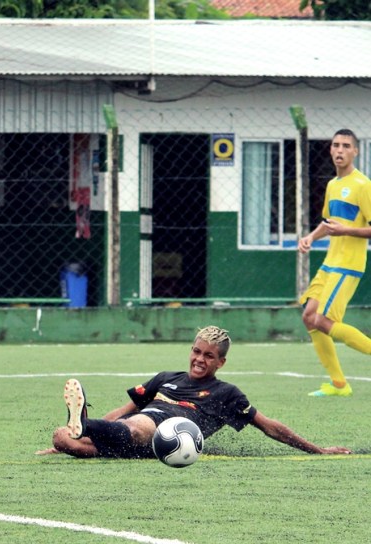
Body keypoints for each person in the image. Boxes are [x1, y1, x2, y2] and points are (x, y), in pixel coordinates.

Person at [36, 326, 352, 459]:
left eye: (209, 356)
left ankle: (85, 424)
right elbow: (121, 411)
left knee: (138, 425)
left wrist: (318, 450)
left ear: (221, 362)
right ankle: (82, 428)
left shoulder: (227, 393)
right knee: (59, 437)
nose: (200, 360)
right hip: (135, 432)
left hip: (172, 431)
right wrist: (73, 440)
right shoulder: (165, 378)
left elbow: (269, 426)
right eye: (197, 352)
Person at [298, 128, 371, 397]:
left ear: (356, 151)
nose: (340, 150)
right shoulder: (332, 185)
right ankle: (339, 384)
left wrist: (347, 231)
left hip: (348, 265)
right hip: (330, 262)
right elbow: (329, 223)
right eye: (336, 145)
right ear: (330, 150)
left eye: (346, 146)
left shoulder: (363, 185)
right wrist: (311, 237)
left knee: (323, 320)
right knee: (309, 317)